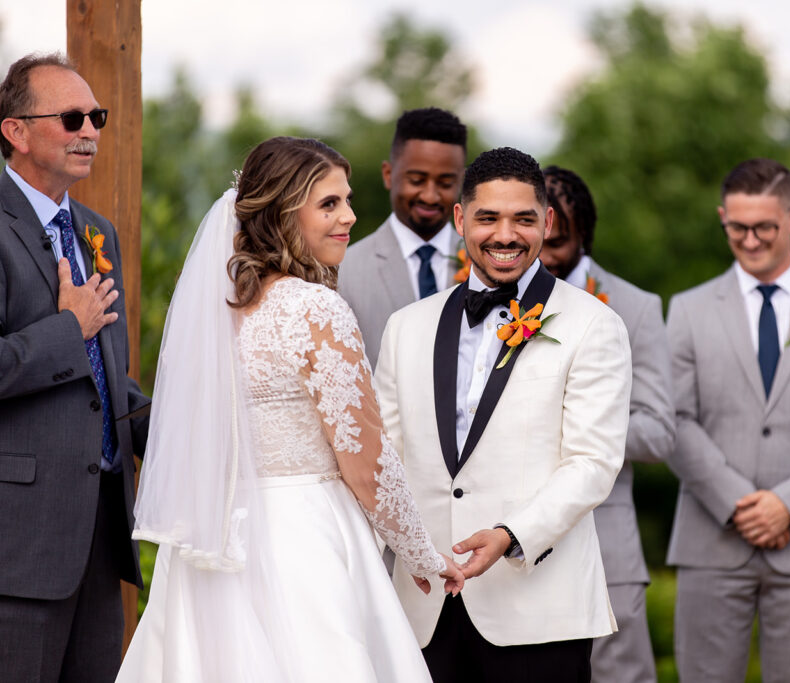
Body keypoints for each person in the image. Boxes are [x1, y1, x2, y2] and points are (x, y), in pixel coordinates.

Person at [117, 137, 463, 682]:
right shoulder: (316, 308)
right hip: (303, 540)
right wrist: (421, 552)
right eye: (328, 204)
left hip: (216, 540)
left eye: (347, 200)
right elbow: (365, 461)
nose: (349, 217)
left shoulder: (218, 308)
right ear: (281, 212)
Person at [375, 147, 631, 682]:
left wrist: (509, 535)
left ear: (548, 222)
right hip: (423, 609)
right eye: (488, 217)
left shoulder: (593, 325)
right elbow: (383, 462)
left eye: (523, 219)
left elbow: (592, 464)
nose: (505, 235)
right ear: (460, 218)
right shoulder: (406, 327)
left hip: (539, 611)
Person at [665, 158, 790, 682]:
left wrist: (787, 505)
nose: (750, 240)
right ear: (722, 218)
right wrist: (740, 506)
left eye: (764, 227)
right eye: (737, 227)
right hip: (710, 540)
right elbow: (676, 420)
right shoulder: (687, 310)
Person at [0, 53, 150, 682]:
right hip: (21, 546)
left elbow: (106, 374)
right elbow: (75, 340)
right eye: (70, 117)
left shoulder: (95, 231)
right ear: (16, 130)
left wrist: (187, 427)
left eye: (96, 116)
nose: (89, 130)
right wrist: (69, 330)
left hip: (99, 531)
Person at [540, 165, 672, 683]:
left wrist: (571, 426)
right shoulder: (485, 296)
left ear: (584, 236)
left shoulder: (635, 308)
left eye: (559, 240)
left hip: (604, 541)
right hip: (508, 544)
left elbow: (659, 431)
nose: (544, 253)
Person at [338, 106, 467, 367]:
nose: (430, 196)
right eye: (417, 180)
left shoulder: (484, 263)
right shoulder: (343, 270)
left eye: (445, 183)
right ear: (388, 174)